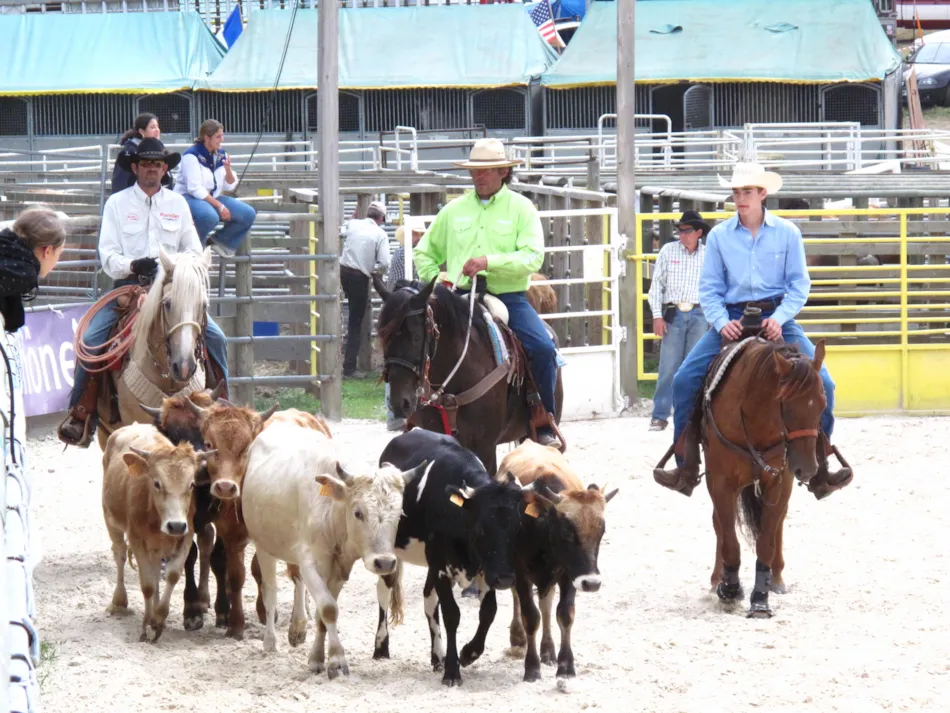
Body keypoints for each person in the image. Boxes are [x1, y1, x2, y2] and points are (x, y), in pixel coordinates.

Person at [652, 163, 853, 501]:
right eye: (736, 192)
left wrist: (781, 317)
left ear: (762, 194)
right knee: (684, 379)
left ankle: (820, 464)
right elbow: (711, 289)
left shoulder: (788, 233)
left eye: (746, 192)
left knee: (825, 384)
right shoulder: (718, 236)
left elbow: (799, 286)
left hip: (779, 317)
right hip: (731, 316)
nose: (739, 198)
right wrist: (720, 321)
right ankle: (686, 465)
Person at [57, 138, 230, 448]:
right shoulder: (117, 204)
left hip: (171, 288)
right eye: (146, 164)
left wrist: (175, 267)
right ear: (135, 167)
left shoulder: (177, 204)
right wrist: (132, 264)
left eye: (158, 164)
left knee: (216, 337)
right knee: (93, 340)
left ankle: (223, 403)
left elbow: (192, 247)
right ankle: (82, 412)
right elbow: (108, 256)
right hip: (128, 287)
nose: (152, 169)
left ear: (165, 168)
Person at [413, 138, 562, 449]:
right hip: (458, 298)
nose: (478, 177)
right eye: (474, 171)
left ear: (504, 171)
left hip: (508, 297)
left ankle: (542, 417)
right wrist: (436, 281)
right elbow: (423, 252)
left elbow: (533, 257)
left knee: (543, 348)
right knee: (416, 340)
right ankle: (414, 408)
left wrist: (488, 263)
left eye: (486, 170)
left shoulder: (521, 208)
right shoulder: (453, 210)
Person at [647, 210, 710, 432]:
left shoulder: (709, 254)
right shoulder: (667, 251)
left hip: (700, 312)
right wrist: (656, 315)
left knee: (695, 366)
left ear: (698, 233)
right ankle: (660, 414)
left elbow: (714, 286)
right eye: (680, 231)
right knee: (668, 365)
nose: (682, 234)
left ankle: (691, 414)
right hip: (674, 312)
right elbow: (657, 287)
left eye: (687, 231)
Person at [174, 119, 256, 258]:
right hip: (188, 197)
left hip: (211, 197)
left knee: (248, 213)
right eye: (218, 136)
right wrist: (220, 206)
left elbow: (229, 185)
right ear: (207, 137)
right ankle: (191, 247)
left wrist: (228, 169)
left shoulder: (221, 154)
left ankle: (220, 242)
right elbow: (194, 189)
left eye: (222, 136)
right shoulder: (191, 155)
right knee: (209, 216)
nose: (222, 140)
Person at [340, 200, 391, 379]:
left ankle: (343, 360)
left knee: (346, 314)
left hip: (342, 270)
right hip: (359, 276)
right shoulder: (380, 234)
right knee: (355, 321)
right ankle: (349, 367)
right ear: (382, 218)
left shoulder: (353, 224)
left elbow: (341, 231)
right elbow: (384, 262)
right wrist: (376, 272)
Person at [0, 206, 67, 333]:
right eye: (59, 254)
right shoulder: (23, 273)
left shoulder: (7, 247)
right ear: (48, 251)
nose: (56, 262)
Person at [384, 221, 424, 430]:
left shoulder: (402, 253)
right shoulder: (410, 254)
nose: (419, 237)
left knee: (396, 356)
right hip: (406, 307)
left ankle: (394, 413)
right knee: (402, 355)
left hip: (398, 304)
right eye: (418, 234)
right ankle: (396, 413)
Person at [111, 113, 171, 193]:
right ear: (141, 131)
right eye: (152, 127)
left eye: (157, 127)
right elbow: (120, 182)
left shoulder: (160, 147)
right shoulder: (129, 152)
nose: (157, 130)